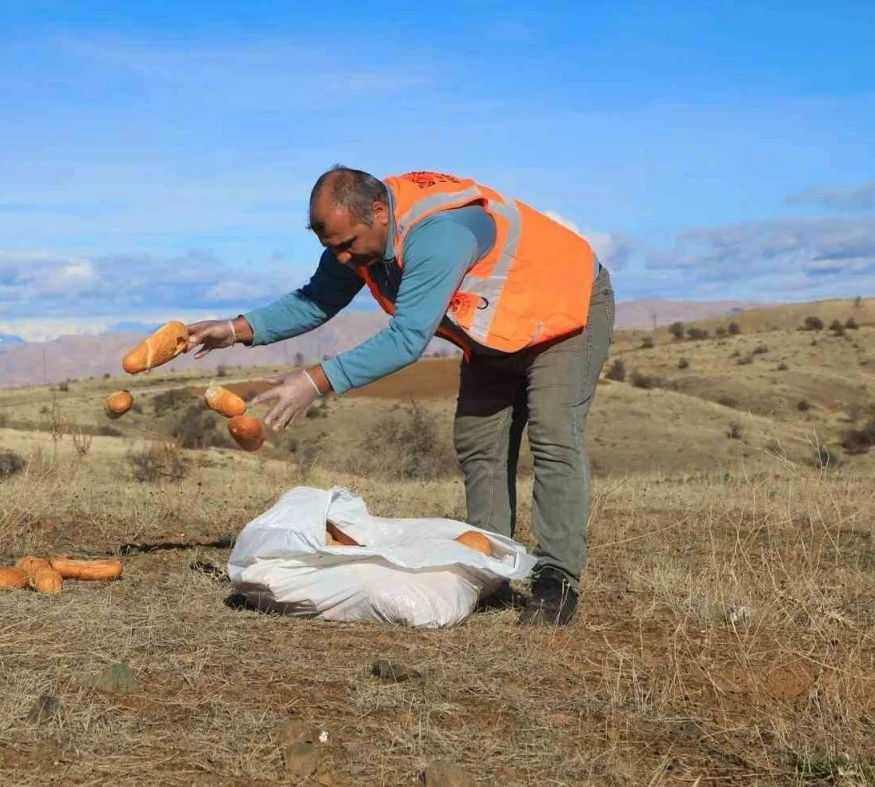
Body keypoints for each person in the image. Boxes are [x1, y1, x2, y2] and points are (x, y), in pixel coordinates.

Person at [186, 166, 615, 626]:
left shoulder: (439, 234)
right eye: (333, 248)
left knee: (553, 433)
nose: (343, 258)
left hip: (565, 309)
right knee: (479, 441)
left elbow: (408, 338)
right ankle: (488, 568)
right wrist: (234, 330)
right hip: (498, 329)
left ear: (377, 212)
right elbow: (317, 299)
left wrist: (315, 381)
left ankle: (556, 579)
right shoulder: (359, 236)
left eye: (347, 245)